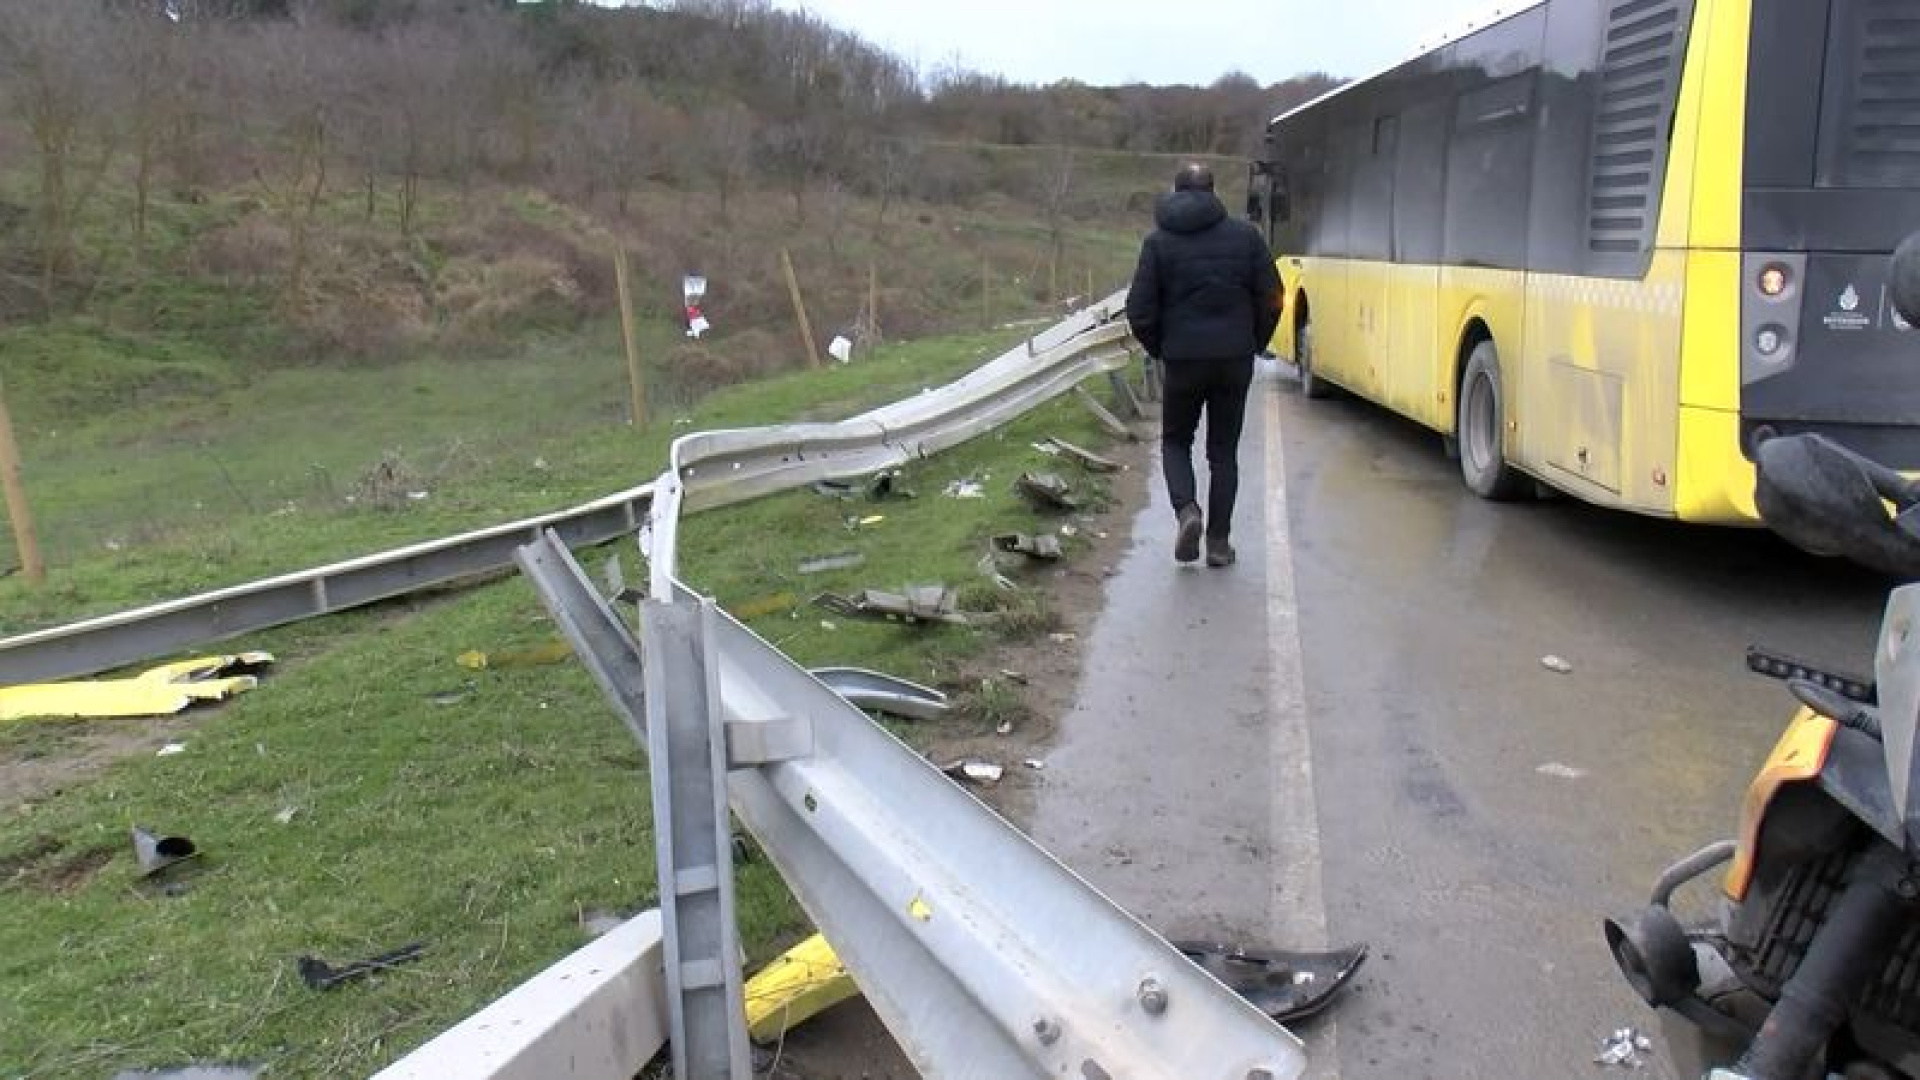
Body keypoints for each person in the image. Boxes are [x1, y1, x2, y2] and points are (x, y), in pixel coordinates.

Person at [1126, 162, 1282, 567]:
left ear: (1176, 192)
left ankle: (1187, 512)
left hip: (1183, 359)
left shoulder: (1158, 243)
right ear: (1214, 193)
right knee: (1223, 452)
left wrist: (1163, 347)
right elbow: (1273, 297)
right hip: (1233, 358)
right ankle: (1217, 543)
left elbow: (1139, 310)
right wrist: (1254, 342)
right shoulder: (1247, 238)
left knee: (1176, 441)